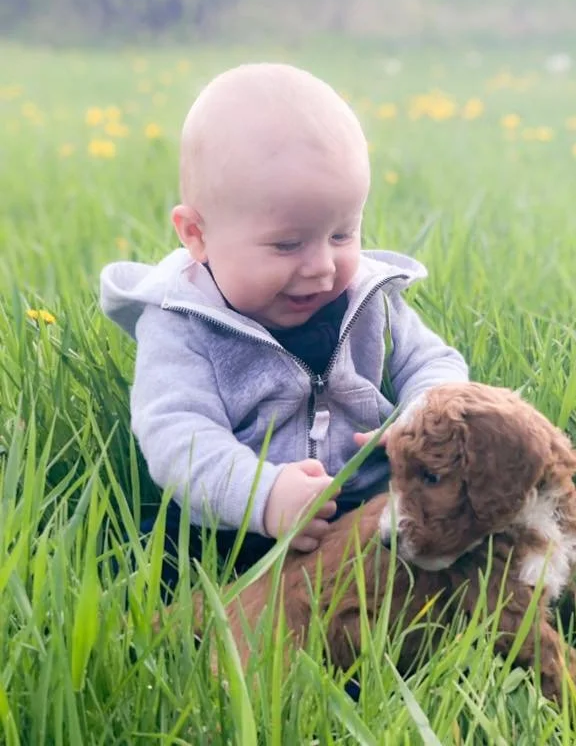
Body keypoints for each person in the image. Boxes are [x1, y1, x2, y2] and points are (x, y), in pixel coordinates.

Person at [100, 63, 468, 589]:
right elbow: (178, 435)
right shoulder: (180, 324)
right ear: (197, 234)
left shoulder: (367, 299)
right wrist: (264, 496)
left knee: (458, 559)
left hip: (369, 512)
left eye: (342, 234)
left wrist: (422, 416)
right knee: (153, 572)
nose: (321, 267)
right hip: (235, 531)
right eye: (287, 244)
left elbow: (434, 361)